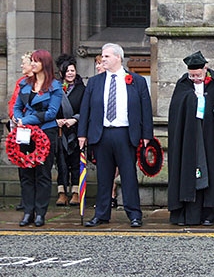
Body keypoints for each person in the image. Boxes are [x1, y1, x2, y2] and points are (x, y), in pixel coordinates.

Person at [79, 43, 154, 228]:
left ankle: (134, 214)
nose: (102, 60)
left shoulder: (136, 80)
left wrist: (146, 135)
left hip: (125, 133)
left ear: (118, 58)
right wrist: (82, 134)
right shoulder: (95, 82)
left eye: (106, 56)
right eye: (102, 57)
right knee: (104, 177)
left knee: (129, 176)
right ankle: (101, 214)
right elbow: (85, 109)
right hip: (102, 133)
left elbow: (146, 109)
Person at [168, 51, 214, 226]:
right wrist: (192, 100)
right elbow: (176, 110)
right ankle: (187, 212)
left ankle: (210, 211)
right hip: (189, 137)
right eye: (192, 75)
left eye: (198, 75)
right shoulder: (182, 84)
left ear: (205, 69)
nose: (195, 78)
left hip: (211, 136)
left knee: (212, 169)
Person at [13, 50, 63, 227]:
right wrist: (18, 119)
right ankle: (28, 212)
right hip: (25, 133)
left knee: (42, 173)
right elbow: (18, 107)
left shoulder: (55, 87)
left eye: (35, 61)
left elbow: (51, 113)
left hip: (45, 132)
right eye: (31, 61)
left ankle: (40, 213)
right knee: (25, 173)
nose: (32, 64)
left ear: (45, 64)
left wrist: (25, 120)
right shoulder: (25, 84)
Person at [54, 54, 86, 207]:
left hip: (76, 130)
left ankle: (75, 192)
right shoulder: (55, 88)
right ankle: (61, 192)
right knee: (61, 163)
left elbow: (86, 109)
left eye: (72, 70)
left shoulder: (82, 88)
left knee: (75, 162)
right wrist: (57, 121)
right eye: (67, 71)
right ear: (62, 73)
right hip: (60, 130)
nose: (70, 73)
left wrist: (76, 118)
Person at [8, 51, 33, 211]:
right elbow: (13, 102)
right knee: (22, 164)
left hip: (34, 128)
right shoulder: (20, 82)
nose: (22, 65)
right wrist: (14, 116)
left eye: (24, 62)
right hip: (21, 129)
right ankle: (25, 199)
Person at [94, 54, 118, 208]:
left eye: (101, 63)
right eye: (97, 63)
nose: (98, 67)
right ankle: (104, 201)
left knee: (117, 166)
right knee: (103, 169)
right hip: (99, 132)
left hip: (120, 130)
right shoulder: (94, 83)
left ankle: (113, 193)